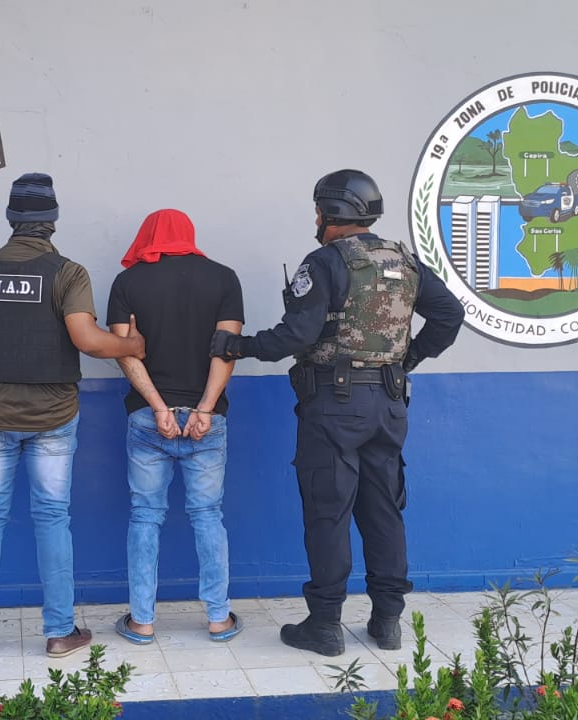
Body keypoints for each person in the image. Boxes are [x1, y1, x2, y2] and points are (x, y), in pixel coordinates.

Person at [210, 169, 464, 657]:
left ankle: (325, 626)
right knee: (384, 509)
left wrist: (238, 346)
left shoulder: (326, 261)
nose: (316, 220)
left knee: (329, 512)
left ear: (331, 211)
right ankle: (387, 622)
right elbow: (450, 315)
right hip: (389, 404)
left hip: (335, 405)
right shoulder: (406, 260)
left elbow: (297, 336)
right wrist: (405, 360)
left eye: (317, 211)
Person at [0, 172, 145, 659]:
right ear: (52, 220)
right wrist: (131, 345)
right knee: (53, 517)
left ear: (10, 218)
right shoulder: (67, 273)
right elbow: (86, 340)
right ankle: (59, 632)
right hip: (52, 416)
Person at [105, 209, 246, 646]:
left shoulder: (127, 282)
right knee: (208, 516)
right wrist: (205, 408)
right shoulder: (224, 279)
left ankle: (142, 621)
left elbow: (124, 351)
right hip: (208, 420)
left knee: (145, 516)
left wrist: (158, 406)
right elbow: (226, 350)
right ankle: (218, 619)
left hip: (149, 418)